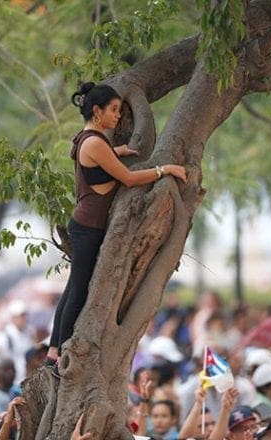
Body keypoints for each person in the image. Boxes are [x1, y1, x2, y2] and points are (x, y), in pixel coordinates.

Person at [46, 81, 187, 364]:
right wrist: (164, 169)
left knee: (75, 286)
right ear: (96, 111)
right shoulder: (96, 143)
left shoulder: (89, 138)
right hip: (87, 227)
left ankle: (53, 349)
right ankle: (56, 352)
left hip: (85, 223)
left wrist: (118, 151)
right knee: (79, 288)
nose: (118, 116)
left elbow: (102, 162)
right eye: (113, 110)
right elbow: (129, 178)